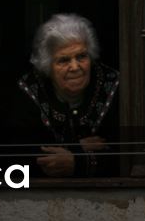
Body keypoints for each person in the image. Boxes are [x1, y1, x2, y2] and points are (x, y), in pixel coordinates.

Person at [9, 13, 118, 177]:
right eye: (64, 60)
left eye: (81, 56)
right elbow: (17, 157)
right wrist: (76, 149)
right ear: (47, 66)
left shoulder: (112, 84)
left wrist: (78, 162)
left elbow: (124, 154)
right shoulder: (29, 89)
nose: (75, 67)